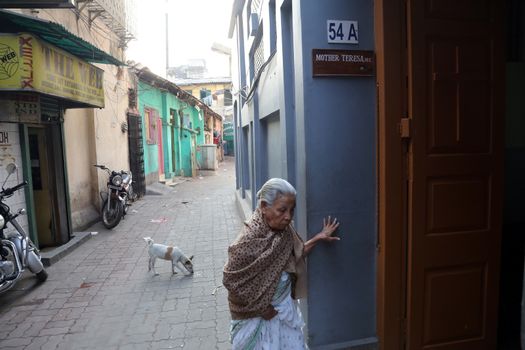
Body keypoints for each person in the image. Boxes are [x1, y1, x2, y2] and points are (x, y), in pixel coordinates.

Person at [223, 178, 341, 349]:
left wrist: (318, 238)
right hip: (258, 319)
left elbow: (294, 256)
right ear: (264, 206)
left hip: (284, 313)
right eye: (282, 210)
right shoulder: (248, 240)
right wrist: (261, 308)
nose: (288, 217)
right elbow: (231, 281)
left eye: (292, 210)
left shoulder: (283, 232)